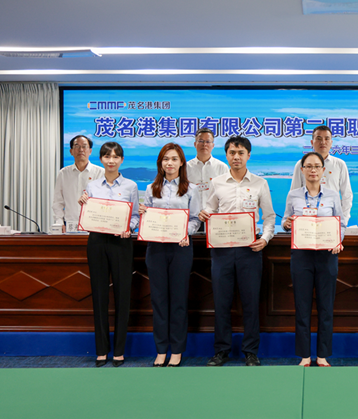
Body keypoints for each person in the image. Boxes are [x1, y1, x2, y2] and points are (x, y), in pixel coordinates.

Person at [199, 136, 276, 367]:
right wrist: (204, 214)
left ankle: (250, 351)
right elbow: (209, 209)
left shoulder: (260, 183)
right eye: (232, 153)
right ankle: (221, 350)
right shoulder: (217, 182)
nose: (236, 157)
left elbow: (269, 217)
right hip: (221, 250)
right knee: (221, 302)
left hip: (249, 250)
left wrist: (265, 239)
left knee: (251, 302)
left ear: (248, 155)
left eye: (241, 153)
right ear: (226, 155)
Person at [78, 142, 139, 367]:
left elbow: (135, 216)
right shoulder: (92, 186)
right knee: (99, 295)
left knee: (123, 295)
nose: (111, 160)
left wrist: (129, 228)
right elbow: (88, 214)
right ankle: (101, 350)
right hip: (96, 241)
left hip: (121, 242)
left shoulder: (131, 186)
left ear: (121, 160)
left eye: (115, 156)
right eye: (107, 156)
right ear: (101, 159)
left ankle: (119, 351)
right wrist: (83, 205)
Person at [140, 143, 201, 367]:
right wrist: (142, 214)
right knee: (158, 300)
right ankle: (160, 349)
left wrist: (186, 233)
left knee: (178, 300)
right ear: (160, 163)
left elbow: (195, 219)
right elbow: (145, 217)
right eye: (166, 159)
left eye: (174, 159)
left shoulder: (191, 189)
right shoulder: (151, 188)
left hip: (181, 248)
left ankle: (177, 350)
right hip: (155, 248)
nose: (170, 163)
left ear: (181, 162)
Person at [282, 152, 345, 367]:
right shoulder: (293, 195)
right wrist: (286, 224)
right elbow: (285, 220)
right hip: (302, 255)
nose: (313, 170)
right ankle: (304, 355)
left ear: (323, 170)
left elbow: (340, 224)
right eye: (308, 166)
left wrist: (338, 240)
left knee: (326, 307)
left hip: (327, 256)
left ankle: (323, 354)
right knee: (302, 306)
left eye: (317, 166)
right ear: (302, 170)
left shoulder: (332, 195)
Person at [290, 126, 353, 226]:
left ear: (331, 142)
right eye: (319, 138)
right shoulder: (301, 164)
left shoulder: (339, 164)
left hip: (331, 221)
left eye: (327, 139)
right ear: (312, 142)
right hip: (306, 221)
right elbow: (294, 193)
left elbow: (347, 195)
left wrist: (343, 221)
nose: (323, 142)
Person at [52, 135, 104, 232]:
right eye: (77, 146)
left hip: (94, 226)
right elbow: (58, 202)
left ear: (90, 151)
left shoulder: (100, 173)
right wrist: (59, 222)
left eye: (84, 146)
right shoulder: (63, 173)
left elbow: (104, 201)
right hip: (70, 226)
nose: (81, 150)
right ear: (71, 151)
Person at [186, 127, 229, 211]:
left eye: (208, 141)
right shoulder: (186, 167)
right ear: (195, 144)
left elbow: (226, 194)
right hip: (192, 215)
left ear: (213, 145)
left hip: (214, 214)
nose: (204, 144)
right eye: (201, 141)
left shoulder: (222, 167)